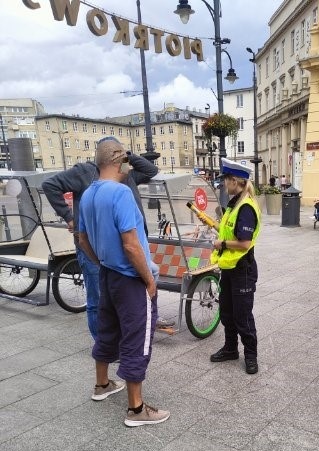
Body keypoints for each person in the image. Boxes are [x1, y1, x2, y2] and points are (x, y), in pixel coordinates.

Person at [42, 136, 174, 339]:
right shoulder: (85, 172)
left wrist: (127, 156)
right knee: (98, 299)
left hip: (128, 248)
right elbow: (50, 185)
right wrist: (69, 218)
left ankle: (128, 336)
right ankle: (103, 343)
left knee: (127, 295)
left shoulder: (126, 173)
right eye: (118, 154)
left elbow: (151, 171)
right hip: (96, 248)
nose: (126, 162)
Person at [78, 138, 169, 427]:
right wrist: (148, 280)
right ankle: (136, 408)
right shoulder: (120, 193)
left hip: (107, 275)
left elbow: (82, 239)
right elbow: (131, 245)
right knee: (136, 337)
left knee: (108, 330)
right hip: (130, 279)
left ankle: (102, 384)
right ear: (120, 162)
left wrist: (101, 261)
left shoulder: (88, 194)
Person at [207, 158, 261, 375]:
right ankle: (230, 349)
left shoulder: (246, 207)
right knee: (226, 311)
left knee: (243, 316)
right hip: (229, 268)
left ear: (235, 181)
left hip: (243, 271)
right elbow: (230, 229)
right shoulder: (235, 203)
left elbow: (244, 242)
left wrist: (222, 243)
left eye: (225, 180)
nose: (223, 185)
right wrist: (213, 225)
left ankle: (251, 356)